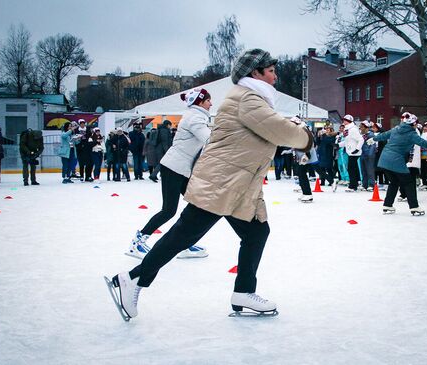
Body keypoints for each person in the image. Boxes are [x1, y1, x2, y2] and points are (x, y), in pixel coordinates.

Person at [107, 49, 313, 320]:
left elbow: (268, 127)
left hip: (238, 184)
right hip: (222, 181)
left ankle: (243, 292)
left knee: (256, 233)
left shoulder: (253, 99)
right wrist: (306, 135)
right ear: (255, 73)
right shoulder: (248, 98)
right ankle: (132, 278)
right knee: (184, 234)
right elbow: (279, 130)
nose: (276, 77)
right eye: (271, 71)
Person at [127, 88, 213, 259]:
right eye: (209, 100)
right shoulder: (195, 117)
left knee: (197, 205)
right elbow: (210, 139)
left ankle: (183, 243)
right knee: (169, 210)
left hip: (182, 169)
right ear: (200, 102)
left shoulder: (197, 116)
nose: (211, 103)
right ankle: (137, 242)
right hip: (174, 168)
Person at [370, 113, 427, 215]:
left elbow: (384, 135)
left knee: (394, 182)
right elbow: (425, 144)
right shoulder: (411, 134)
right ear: (413, 124)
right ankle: (414, 207)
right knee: (409, 183)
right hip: (396, 160)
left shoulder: (396, 129)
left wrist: (373, 139)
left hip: (384, 159)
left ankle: (388, 204)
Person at [338, 114, 363, 192]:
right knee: (353, 168)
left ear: (348, 121)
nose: (343, 121)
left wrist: (357, 149)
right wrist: (338, 145)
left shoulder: (353, 129)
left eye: (345, 120)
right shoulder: (348, 129)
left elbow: (361, 139)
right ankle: (355, 184)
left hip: (354, 152)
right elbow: (347, 141)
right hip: (350, 152)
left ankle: (352, 185)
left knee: (351, 169)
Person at [359, 121, 376, 191]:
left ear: (366, 128)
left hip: (369, 155)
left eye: (362, 127)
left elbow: (372, 145)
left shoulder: (371, 135)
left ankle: (371, 184)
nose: (360, 128)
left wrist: (370, 154)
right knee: (363, 170)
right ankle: (364, 184)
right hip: (362, 154)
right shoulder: (362, 135)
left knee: (370, 170)